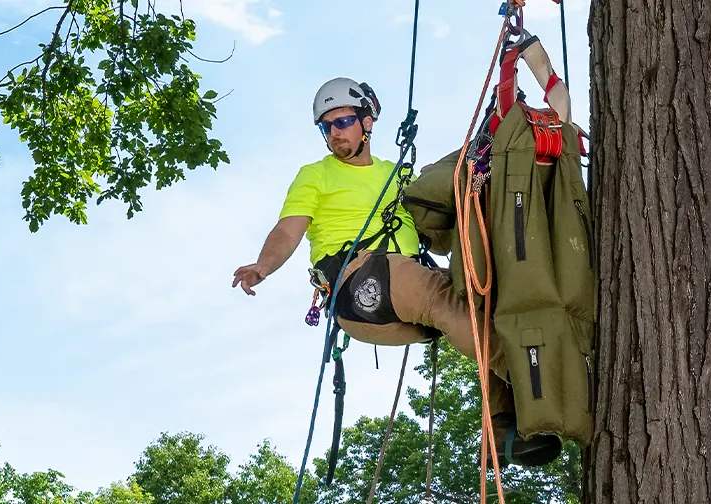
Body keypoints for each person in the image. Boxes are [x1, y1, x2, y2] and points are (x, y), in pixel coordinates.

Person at [232, 77, 559, 466]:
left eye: (342, 123)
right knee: (446, 300)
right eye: (326, 127)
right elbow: (288, 229)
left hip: (395, 302)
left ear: (367, 122)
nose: (334, 134)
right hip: (359, 281)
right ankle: (545, 386)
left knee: (476, 305)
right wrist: (263, 266)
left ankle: (504, 427)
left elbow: (438, 221)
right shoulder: (315, 174)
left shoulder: (398, 176)